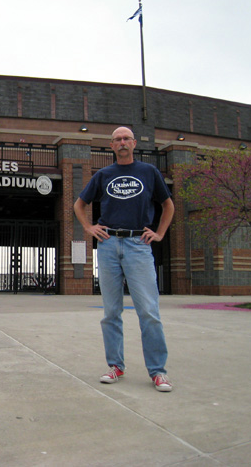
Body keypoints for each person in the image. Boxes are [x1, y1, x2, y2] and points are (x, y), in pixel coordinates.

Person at [73, 126, 175, 392]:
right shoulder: (104, 175)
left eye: (126, 138)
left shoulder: (149, 172)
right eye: (117, 139)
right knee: (111, 312)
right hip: (107, 245)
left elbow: (168, 205)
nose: (122, 142)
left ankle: (158, 372)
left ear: (134, 142)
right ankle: (115, 366)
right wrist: (89, 227)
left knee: (149, 312)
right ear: (111, 145)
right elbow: (79, 204)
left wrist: (160, 233)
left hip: (138, 244)